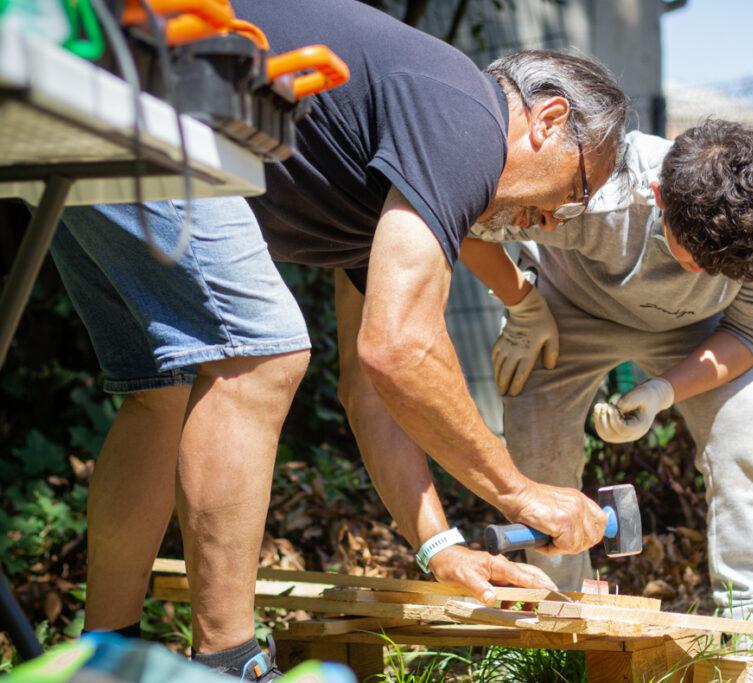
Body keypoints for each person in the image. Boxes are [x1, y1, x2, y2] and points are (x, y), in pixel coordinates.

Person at [51, 0, 628, 678]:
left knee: (162, 389)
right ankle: (229, 661)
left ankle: (99, 656)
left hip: (85, 101)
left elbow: (373, 386)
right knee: (263, 355)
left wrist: (438, 544)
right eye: (578, 187)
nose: (555, 220)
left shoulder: (404, 163)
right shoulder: (468, 117)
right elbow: (402, 348)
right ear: (549, 119)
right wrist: (518, 491)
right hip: (150, 94)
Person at [463, 120, 753, 679]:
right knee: (538, 454)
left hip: (702, 334)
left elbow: (748, 335)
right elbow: (465, 216)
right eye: (693, 253)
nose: (702, 270)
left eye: (722, 265)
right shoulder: (594, 184)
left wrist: (663, 390)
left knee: (746, 440)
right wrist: (523, 304)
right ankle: (555, 622)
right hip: (567, 314)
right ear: (658, 198)